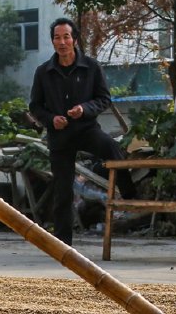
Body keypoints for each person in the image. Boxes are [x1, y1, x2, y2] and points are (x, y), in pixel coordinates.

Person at [28, 17, 136, 243]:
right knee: (63, 190)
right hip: (59, 135)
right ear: (53, 42)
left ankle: (130, 197)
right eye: (57, 38)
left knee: (111, 148)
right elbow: (35, 107)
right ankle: (62, 244)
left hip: (86, 129)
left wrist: (84, 109)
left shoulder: (91, 67)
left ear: (74, 40)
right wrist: (51, 119)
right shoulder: (43, 72)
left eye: (66, 37)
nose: (62, 42)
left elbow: (104, 99)